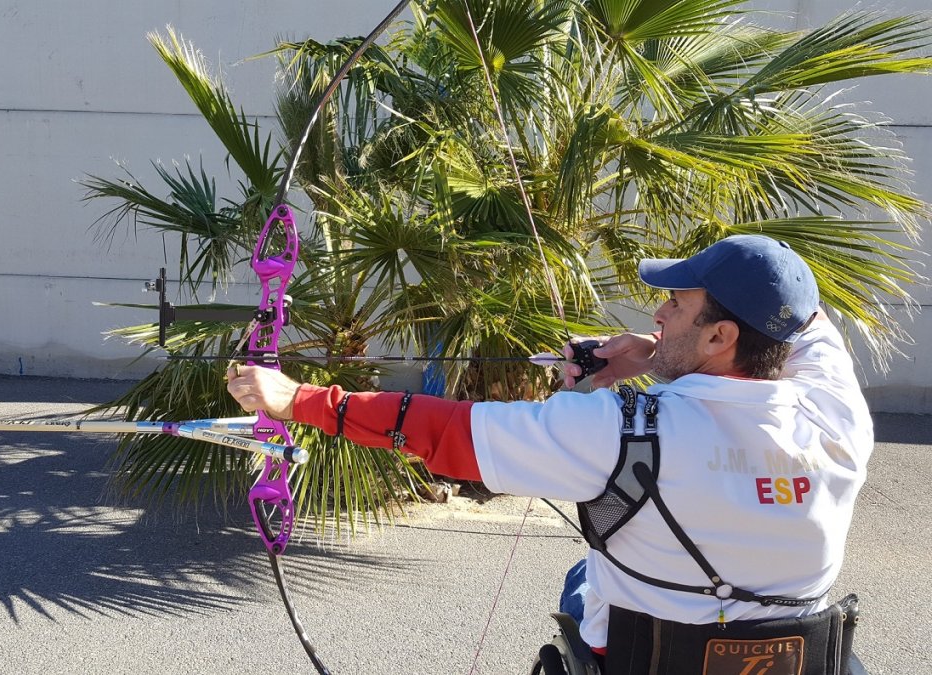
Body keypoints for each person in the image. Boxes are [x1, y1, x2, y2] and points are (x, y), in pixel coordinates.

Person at [227, 235, 871, 673]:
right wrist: (662, 353)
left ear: (722, 335)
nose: (657, 313)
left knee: (584, 579)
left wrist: (295, 398)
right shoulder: (837, 414)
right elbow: (801, 317)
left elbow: (442, 430)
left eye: (676, 305)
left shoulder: (621, 430)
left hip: (639, 660)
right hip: (794, 660)